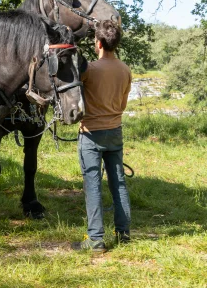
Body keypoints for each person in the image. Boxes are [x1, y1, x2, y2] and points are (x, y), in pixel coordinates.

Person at [72, 20, 132, 252]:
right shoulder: (125, 69)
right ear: (116, 43)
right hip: (115, 131)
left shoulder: (91, 70)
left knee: (93, 184)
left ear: (98, 43)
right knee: (119, 184)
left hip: (91, 134)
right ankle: (123, 234)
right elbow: (123, 103)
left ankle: (96, 239)